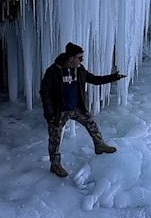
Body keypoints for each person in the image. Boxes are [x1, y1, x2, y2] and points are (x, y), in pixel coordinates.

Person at [39, 42, 125, 178]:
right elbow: (45, 91)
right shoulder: (53, 71)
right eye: (79, 57)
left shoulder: (79, 70)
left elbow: (95, 79)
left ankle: (100, 145)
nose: (81, 60)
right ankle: (55, 165)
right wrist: (49, 112)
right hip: (59, 111)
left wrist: (113, 77)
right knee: (55, 138)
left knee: (91, 122)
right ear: (71, 58)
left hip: (76, 107)